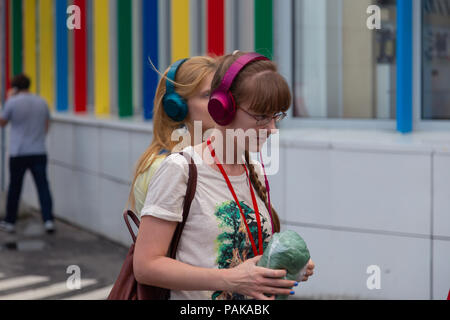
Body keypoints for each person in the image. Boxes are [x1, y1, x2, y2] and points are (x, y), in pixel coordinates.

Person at [133, 51, 315, 300]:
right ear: (222, 109)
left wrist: (286, 266)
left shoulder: (254, 170)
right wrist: (231, 280)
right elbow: (145, 266)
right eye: (261, 116)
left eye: (276, 116)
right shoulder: (180, 169)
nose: (272, 129)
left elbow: (249, 260)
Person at [128, 56, 218, 216]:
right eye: (207, 94)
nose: (220, 101)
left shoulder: (215, 157)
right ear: (177, 106)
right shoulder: (164, 166)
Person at [0, 74, 55, 234]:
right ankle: (48, 220)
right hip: (38, 150)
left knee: (15, 187)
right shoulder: (41, 101)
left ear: (15, 87)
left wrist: (9, 98)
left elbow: (3, 122)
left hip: (19, 152)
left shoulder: (12, 102)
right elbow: (46, 124)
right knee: (43, 186)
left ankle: (10, 222)